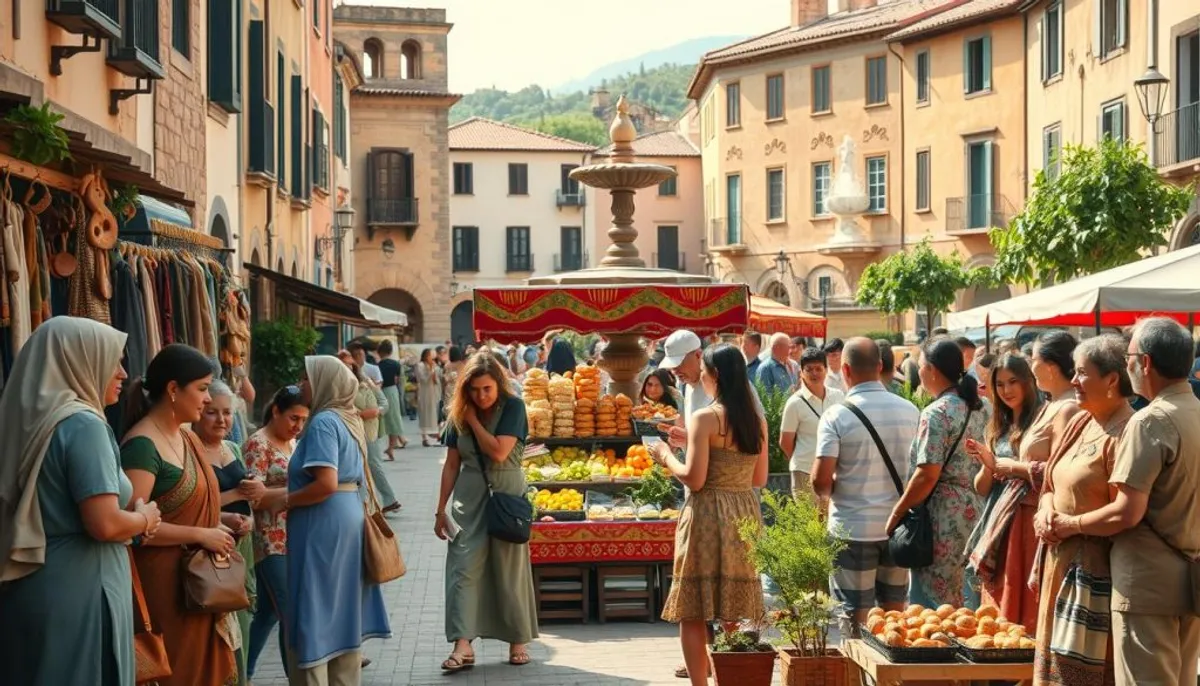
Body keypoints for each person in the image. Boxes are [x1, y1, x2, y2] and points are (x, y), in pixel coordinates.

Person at [0, 317, 162, 686]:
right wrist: (144, 518)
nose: (122, 373)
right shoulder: (84, 426)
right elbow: (104, 523)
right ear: (79, 361)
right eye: (112, 361)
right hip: (83, 590)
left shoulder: (27, 421)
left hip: (33, 584)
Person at [1078, 318, 1200, 685]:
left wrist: (1071, 524)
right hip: (1190, 575)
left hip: (1147, 583)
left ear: (1144, 363)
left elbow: (1126, 512)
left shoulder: (1149, 420)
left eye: (1128, 355)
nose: (1126, 363)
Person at [120, 344, 240, 686]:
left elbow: (189, 512)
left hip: (202, 585)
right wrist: (201, 535)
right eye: (201, 389)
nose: (206, 399)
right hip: (166, 589)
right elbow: (135, 528)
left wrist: (220, 523)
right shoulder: (142, 446)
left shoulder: (187, 438)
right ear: (173, 390)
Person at [650, 344, 768, 686]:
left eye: (704, 373)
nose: (701, 378)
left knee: (694, 610)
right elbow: (758, 478)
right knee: (733, 606)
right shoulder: (755, 420)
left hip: (707, 514)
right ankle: (730, 679)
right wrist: (693, 441)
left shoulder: (706, 417)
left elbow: (694, 479)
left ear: (715, 376)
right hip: (744, 512)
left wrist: (664, 456)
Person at [1023, 335, 1133, 685]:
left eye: (1082, 373)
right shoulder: (1080, 421)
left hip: (1095, 574)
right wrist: (1045, 510)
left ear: (1112, 379)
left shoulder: (1127, 433)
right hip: (1060, 564)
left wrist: (1071, 523)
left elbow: (1123, 512)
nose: (1073, 382)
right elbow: (1051, 482)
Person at [285, 356, 391, 684]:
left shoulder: (322, 423)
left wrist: (280, 499)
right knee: (343, 607)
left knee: (314, 605)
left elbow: (324, 483)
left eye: (306, 379)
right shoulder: (348, 418)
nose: (300, 385)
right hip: (348, 516)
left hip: (322, 522)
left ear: (323, 384)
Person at [435, 352, 538, 671]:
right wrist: (440, 509)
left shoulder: (514, 407)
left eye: (487, 389)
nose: (480, 396)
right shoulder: (456, 414)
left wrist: (474, 421)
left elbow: (498, 451)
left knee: (507, 568)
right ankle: (462, 644)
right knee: (464, 567)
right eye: (475, 390)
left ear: (499, 386)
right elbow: (452, 463)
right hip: (468, 495)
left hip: (505, 492)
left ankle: (517, 639)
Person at [812, 338, 919, 637]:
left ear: (844, 370)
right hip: (899, 527)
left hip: (853, 528)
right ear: (882, 366)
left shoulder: (836, 415)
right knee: (895, 610)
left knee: (856, 613)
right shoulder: (911, 411)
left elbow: (821, 482)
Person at [887, 338, 988, 609]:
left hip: (942, 518)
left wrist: (897, 513)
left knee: (935, 607)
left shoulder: (936, 413)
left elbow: (927, 474)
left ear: (931, 370)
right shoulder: (982, 407)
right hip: (978, 512)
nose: (918, 371)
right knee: (967, 600)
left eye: (920, 366)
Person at [963, 353, 1044, 630]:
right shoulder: (997, 425)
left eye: (1013, 382)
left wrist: (1011, 467)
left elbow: (1051, 472)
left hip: (1026, 520)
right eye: (999, 384)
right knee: (997, 598)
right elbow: (982, 487)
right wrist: (989, 465)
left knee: (1022, 599)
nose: (1007, 390)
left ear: (1029, 382)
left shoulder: (1042, 421)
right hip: (997, 520)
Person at [194, 380, 265, 685]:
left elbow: (251, 498)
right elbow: (192, 506)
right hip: (209, 552)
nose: (222, 420)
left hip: (242, 547)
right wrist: (234, 498)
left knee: (244, 620)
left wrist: (251, 507)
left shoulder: (232, 447)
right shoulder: (190, 450)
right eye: (212, 413)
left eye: (227, 413)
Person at [242, 385, 308, 679]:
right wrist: (298, 492)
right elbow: (251, 498)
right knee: (290, 612)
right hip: (269, 540)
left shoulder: (291, 444)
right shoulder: (258, 445)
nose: (298, 426)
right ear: (275, 412)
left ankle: (242, 673)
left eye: (304, 420)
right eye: (294, 418)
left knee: (268, 613)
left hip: (293, 538)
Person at [780, 348, 845, 504]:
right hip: (804, 471)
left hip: (834, 471)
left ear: (826, 370)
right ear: (801, 373)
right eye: (809, 369)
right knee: (810, 524)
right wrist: (803, 460)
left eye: (818, 369)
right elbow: (785, 442)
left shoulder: (838, 396)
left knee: (833, 524)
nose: (814, 374)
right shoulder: (794, 403)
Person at [339, 352, 401, 514]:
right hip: (349, 432)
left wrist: (376, 412)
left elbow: (384, 403)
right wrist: (360, 414)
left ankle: (388, 500)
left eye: (350, 363)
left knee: (374, 465)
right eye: (343, 364)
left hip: (369, 431)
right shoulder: (337, 387)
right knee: (358, 470)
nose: (348, 367)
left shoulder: (365, 382)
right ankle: (370, 505)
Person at [377, 339, 408, 458]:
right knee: (394, 419)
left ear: (380, 352)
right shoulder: (396, 364)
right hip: (392, 391)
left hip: (379, 392)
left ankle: (387, 447)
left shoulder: (377, 366)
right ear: (390, 351)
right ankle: (391, 447)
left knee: (381, 419)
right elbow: (401, 380)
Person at [416, 348, 443, 446]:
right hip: (424, 393)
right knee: (424, 414)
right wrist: (431, 370)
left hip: (434, 393)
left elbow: (438, 379)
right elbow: (423, 379)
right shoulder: (420, 365)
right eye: (430, 355)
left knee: (434, 414)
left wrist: (434, 369)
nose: (431, 358)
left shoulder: (435, 365)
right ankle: (424, 438)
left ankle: (436, 434)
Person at [442, 346, 466, 429]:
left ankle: (449, 425)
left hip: (449, 389)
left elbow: (444, 379)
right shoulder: (462, 364)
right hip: (458, 388)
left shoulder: (447, 365)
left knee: (449, 407)